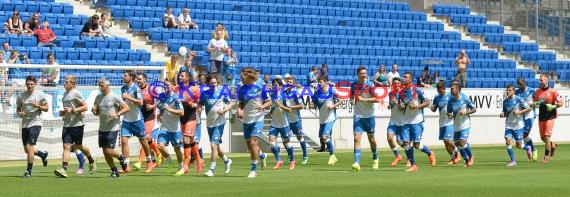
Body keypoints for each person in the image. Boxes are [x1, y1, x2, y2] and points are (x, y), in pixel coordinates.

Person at [53, 75, 97, 178]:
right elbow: (69, 109)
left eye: (67, 82)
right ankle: (64, 169)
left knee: (78, 146)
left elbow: (85, 107)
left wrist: (73, 111)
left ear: (72, 84)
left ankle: (91, 160)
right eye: (65, 81)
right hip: (67, 124)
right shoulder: (65, 94)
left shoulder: (76, 93)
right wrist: (64, 112)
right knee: (66, 146)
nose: (65, 83)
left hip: (77, 124)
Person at [237, 67, 271, 178]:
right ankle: (262, 155)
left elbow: (270, 101)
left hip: (258, 119)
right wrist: (240, 110)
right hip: (246, 120)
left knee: (253, 143)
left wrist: (262, 106)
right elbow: (241, 102)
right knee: (250, 147)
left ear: (247, 76)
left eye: (242, 75)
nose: (240, 77)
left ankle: (254, 170)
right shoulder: (242, 89)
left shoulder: (260, 87)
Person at [92, 78, 129, 178]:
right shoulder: (98, 97)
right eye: (99, 85)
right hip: (102, 127)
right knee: (105, 152)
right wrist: (94, 110)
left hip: (113, 127)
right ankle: (114, 170)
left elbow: (126, 107)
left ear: (108, 86)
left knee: (109, 150)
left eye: (102, 85)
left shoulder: (114, 96)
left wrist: (117, 113)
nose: (100, 87)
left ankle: (121, 157)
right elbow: (96, 112)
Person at [400, 71, 435, 172]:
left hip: (417, 121)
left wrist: (417, 106)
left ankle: (430, 153)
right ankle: (413, 165)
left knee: (416, 145)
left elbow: (427, 102)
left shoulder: (417, 90)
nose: (403, 78)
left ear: (410, 80)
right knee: (406, 143)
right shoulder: (402, 92)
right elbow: (401, 105)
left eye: (405, 77)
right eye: (403, 77)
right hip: (406, 121)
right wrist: (401, 106)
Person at [199, 76, 234, 177]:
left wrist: (224, 110)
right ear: (208, 84)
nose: (214, 84)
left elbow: (231, 102)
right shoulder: (204, 94)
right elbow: (200, 105)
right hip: (210, 124)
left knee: (213, 145)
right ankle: (227, 161)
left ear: (217, 83)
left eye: (215, 83)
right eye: (211, 83)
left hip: (220, 123)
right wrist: (200, 109)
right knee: (217, 147)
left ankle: (212, 170)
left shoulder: (222, 92)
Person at [119, 70, 153, 173]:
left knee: (143, 140)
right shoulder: (123, 88)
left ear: (131, 77)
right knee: (124, 141)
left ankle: (149, 160)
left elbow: (141, 102)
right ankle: (126, 165)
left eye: (125, 76)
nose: (123, 77)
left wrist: (128, 97)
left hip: (137, 119)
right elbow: (124, 102)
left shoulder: (136, 89)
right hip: (126, 119)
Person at [17, 76, 49, 178]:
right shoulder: (21, 96)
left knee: (30, 147)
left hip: (36, 123)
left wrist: (38, 106)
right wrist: (20, 113)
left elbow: (47, 108)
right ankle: (42, 155)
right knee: (27, 150)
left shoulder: (40, 95)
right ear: (26, 84)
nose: (30, 85)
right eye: (28, 84)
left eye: (31, 84)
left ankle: (28, 171)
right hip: (25, 124)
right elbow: (18, 109)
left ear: (35, 84)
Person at [349, 66, 380, 171]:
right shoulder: (353, 85)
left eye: (365, 73)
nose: (364, 75)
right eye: (362, 73)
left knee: (372, 140)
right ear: (357, 74)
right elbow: (351, 97)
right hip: (358, 117)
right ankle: (357, 163)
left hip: (369, 117)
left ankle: (375, 158)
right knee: (356, 139)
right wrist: (352, 100)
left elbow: (377, 99)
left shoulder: (370, 85)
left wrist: (363, 100)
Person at [132, 73, 162, 172]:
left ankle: (141, 162)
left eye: (140, 79)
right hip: (140, 117)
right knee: (147, 139)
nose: (138, 80)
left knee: (144, 138)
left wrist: (153, 106)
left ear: (145, 80)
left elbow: (160, 100)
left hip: (150, 116)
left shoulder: (151, 89)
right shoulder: (136, 89)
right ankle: (158, 153)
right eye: (137, 79)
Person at [155, 80, 186, 176]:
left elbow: (182, 112)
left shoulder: (176, 98)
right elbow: (161, 107)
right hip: (164, 127)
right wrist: (159, 114)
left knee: (177, 149)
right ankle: (170, 162)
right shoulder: (162, 97)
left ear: (172, 87)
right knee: (160, 145)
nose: (166, 87)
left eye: (168, 85)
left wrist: (169, 109)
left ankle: (181, 166)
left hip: (175, 129)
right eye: (165, 86)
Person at [176, 71, 204, 174]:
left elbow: (202, 102)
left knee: (186, 138)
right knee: (191, 140)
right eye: (180, 75)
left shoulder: (194, 89)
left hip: (192, 117)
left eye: (182, 76)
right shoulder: (177, 89)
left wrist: (196, 105)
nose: (180, 77)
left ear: (187, 78)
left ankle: (185, 165)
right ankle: (200, 160)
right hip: (182, 117)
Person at [266, 79, 296, 170]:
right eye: (273, 85)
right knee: (271, 142)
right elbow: (273, 105)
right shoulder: (272, 96)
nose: (273, 86)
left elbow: (289, 110)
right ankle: (279, 160)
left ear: (280, 86)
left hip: (284, 123)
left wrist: (280, 105)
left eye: (275, 85)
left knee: (287, 143)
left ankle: (292, 160)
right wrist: (271, 111)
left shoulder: (284, 96)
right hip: (274, 123)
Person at [501, 84, 533, 166]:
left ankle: (527, 148)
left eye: (509, 90)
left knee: (518, 145)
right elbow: (505, 112)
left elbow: (529, 108)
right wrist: (502, 114)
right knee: (508, 141)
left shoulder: (519, 99)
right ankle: (513, 161)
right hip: (509, 125)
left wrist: (519, 112)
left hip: (519, 125)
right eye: (507, 90)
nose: (508, 92)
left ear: (513, 91)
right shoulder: (505, 101)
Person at [532, 75, 562, 163]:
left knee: (547, 136)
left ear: (546, 80)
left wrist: (554, 106)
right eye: (539, 80)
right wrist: (536, 104)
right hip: (541, 117)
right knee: (542, 138)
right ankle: (552, 145)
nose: (540, 81)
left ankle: (546, 157)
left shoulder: (553, 91)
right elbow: (534, 103)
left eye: (541, 80)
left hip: (550, 117)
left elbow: (560, 103)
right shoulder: (537, 92)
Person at [311, 76, 341, 165]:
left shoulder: (332, 91)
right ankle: (332, 153)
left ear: (325, 83)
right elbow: (314, 105)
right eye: (318, 82)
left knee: (324, 136)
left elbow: (341, 101)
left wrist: (332, 106)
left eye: (320, 82)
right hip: (322, 118)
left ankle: (332, 156)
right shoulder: (316, 94)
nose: (319, 84)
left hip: (331, 117)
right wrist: (312, 105)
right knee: (322, 137)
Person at [447, 83, 476, 167]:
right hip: (456, 125)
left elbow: (474, 109)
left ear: (457, 90)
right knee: (457, 144)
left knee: (462, 142)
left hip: (465, 124)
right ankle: (466, 160)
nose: (450, 90)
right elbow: (449, 112)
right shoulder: (450, 101)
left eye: (452, 89)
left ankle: (471, 156)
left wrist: (465, 112)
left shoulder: (465, 99)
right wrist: (449, 114)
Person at [431, 81, 459, 165]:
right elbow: (434, 109)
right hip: (442, 122)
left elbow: (456, 106)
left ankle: (457, 152)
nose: (439, 92)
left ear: (444, 88)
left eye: (440, 90)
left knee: (448, 140)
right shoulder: (436, 97)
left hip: (449, 122)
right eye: (438, 90)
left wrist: (453, 114)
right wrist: (432, 108)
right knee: (445, 142)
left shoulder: (450, 96)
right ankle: (452, 157)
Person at [283, 75, 308, 164]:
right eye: (287, 82)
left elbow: (301, 106)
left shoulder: (296, 93)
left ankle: (305, 156)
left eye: (290, 82)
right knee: (285, 139)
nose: (288, 83)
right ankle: (290, 156)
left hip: (295, 119)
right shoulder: (284, 92)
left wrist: (291, 107)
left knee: (299, 137)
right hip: (286, 120)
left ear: (293, 83)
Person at [515, 77, 538, 161]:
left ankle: (533, 149)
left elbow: (537, 102)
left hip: (529, 115)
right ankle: (530, 148)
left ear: (524, 83)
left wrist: (534, 104)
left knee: (525, 135)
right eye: (518, 84)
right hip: (521, 116)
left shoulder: (532, 90)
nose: (519, 85)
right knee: (522, 136)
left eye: (520, 83)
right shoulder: (517, 92)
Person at [386, 77, 404, 167]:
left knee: (401, 142)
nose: (396, 84)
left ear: (400, 84)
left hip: (402, 122)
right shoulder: (390, 94)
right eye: (394, 83)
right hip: (393, 121)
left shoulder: (403, 94)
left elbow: (402, 108)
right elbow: (391, 104)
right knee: (389, 138)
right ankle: (398, 156)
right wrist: (390, 105)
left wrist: (396, 102)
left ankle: (410, 158)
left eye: (398, 83)